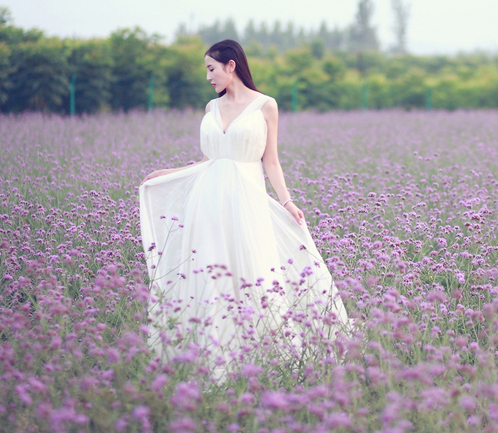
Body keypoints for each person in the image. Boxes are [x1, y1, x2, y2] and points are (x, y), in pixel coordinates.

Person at [139, 40, 347, 369]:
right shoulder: (211, 108)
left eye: (211, 69)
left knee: (254, 269)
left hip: (247, 202)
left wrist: (288, 201)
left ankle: (265, 354)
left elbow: (272, 163)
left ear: (231, 66)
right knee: (209, 272)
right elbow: (209, 160)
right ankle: (209, 354)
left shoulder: (266, 106)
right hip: (206, 203)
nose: (208, 77)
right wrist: (167, 173)